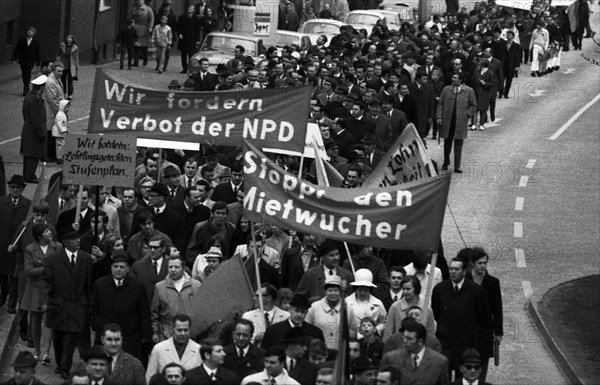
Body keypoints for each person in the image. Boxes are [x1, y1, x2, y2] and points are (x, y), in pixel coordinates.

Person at [40, 229, 94, 380]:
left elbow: (89, 283)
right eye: (74, 239)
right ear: (65, 242)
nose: (78, 241)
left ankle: (65, 367)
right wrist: (44, 302)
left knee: (71, 338)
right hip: (57, 305)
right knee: (58, 337)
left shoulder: (86, 259)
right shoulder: (53, 259)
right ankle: (59, 363)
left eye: (78, 238)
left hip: (78, 306)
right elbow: (45, 281)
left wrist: (89, 304)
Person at [431, 257, 491, 379]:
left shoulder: (476, 291)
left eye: (456, 269)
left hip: (466, 345)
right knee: (443, 376)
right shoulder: (440, 289)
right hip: (445, 344)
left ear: (464, 272)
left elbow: (483, 319)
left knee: (463, 378)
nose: (453, 271)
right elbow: (436, 314)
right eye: (451, 269)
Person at [89, 250, 151, 358]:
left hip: (128, 339)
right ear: (111, 267)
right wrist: (100, 327)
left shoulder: (137, 287)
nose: (118, 269)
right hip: (104, 337)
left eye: (122, 267)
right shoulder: (100, 284)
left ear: (128, 269)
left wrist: (145, 336)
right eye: (115, 266)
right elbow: (92, 310)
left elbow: (144, 313)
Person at [21, 222, 62, 360]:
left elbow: (61, 267)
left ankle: (46, 352)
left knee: (48, 320)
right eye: (46, 231)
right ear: (39, 236)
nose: (50, 233)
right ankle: (37, 351)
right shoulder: (30, 249)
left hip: (51, 288)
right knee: (35, 320)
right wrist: (46, 269)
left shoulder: (57, 247)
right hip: (34, 288)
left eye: (49, 230)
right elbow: (28, 270)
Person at [467, 247, 503, 382]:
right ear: (472, 263)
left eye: (485, 263)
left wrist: (498, 332)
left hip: (485, 331)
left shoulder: (493, 282)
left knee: (483, 363)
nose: (483, 266)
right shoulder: (465, 280)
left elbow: (497, 308)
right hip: (467, 330)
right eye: (480, 263)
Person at [152, 255, 204, 341]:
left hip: (190, 334)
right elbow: (154, 313)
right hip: (166, 335)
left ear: (183, 268)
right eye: (170, 267)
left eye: (176, 267)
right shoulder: (159, 287)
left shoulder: (196, 286)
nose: (173, 270)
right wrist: (155, 332)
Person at [379, 321, 449, 385]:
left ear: (420, 342)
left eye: (409, 338)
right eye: (404, 337)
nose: (404, 341)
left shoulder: (439, 362)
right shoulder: (391, 358)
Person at [0, 175, 32, 311]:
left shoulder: (28, 205)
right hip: (2, 245)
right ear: (9, 187)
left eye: (18, 188)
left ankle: (11, 304)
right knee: (2, 274)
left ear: (23, 189)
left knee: (15, 276)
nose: (15, 190)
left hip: (17, 246)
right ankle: (2, 297)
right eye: (12, 187)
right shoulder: (1, 202)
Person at [436, 72, 476, 173]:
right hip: (447, 120)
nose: (452, 79)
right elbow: (440, 104)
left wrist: (466, 114)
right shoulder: (446, 89)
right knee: (447, 142)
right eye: (452, 77)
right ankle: (446, 162)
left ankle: (457, 165)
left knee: (458, 143)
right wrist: (439, 117)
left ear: (460, 80)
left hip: (460, 121)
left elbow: (473, 106)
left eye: (455, 77)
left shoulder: (469, 90)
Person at [146, 314, 202, 383]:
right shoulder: (159, 349)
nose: (183, 333)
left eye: (186, 330)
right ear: (172, 330)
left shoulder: (199, 350)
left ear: (190, 330)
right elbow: (150, 377)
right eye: (179, 330)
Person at [384, 275, 436, 342]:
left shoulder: (427, 308)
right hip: (400, 346)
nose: (405, 292)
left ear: (416, 289)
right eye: (403, 289)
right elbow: (388, 332)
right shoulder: (395, 306)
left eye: (408, 289)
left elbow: (430, 332)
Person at [20, 75, 47, 183]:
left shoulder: (29, 96)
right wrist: (41, 134)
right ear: (41, 88)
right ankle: (30, 175)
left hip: (27, 127)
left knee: (27, 154)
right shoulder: (36, 100)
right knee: (33, 153)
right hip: (34, 131)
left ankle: (26, 174)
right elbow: (38, 119)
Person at [346, 269, 387, 339]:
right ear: (355, 288)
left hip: (372, 339)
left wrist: (376, 329)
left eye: (365, 290)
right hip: (352, 339)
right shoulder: (346, 302)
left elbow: (384, 322)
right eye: (360, 290)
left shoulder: (377, 303)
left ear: (370, 290)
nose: (362, 293)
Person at [43, 62, 65, 163]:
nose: (60, 73)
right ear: (53, 70)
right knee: (51, 133)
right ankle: (49, 155)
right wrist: (60, 112)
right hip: (52, 111)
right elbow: (52, 100)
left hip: (55, 111)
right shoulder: (51, 82)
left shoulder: (56, 79)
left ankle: (51, 155)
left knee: (53, 133)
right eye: (58, 71)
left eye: (62, 71)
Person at [12, 26, 41, 96]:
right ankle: (26, 86)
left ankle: (26, 89)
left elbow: (38, 53)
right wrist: (14, 59)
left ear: (34, 34)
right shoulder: (21, 40)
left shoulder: (36, 42)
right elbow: (17, 50)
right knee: (24, 74)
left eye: (31, 31)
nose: (29, 32)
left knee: (27, 74)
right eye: (29, 30)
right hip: (22, 60)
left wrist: (38, 63)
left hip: (31, 61)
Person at [176, 5, 201, 73]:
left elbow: (197, 30)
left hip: (192, 39)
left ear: (194, 10)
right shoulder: (182, 17)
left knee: (191, 55)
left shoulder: (196, 18)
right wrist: (179, 34)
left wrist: (197, 40)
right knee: (183, 55)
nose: (190, 9)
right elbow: (178, 27)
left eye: (192, 8)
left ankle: (191, 69)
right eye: (189, 7)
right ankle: (184, 68)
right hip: (183, 39)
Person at [55, 35, 79, 100]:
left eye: (70, 38)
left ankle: (70, 94)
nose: (68, 39)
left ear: (72, 39)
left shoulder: (75, 47)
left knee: (70, 81)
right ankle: (63, 93)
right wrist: (57, 60)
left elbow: (76, 57)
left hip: (71, 65)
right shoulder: (62, 45)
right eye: (67, 37)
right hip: (63, 65)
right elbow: (58, 54)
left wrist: (77, 66)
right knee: (62, 80)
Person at [131, 0, 154, 67]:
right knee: (135, 46)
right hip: (136, 28)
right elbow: (130, 18)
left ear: (143, 1)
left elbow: (151, 19)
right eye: (138, 0)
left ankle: (145, 58)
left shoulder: (148, 9)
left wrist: (150, 28)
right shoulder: (134, 8)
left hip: (144, 28)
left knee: (143, 46)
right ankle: (135, 62)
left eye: (141, 0)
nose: (139, 1)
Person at [51, 99, 70, 164]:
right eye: (67, 107)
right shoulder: (60, 114)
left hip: (61, 133)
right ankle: (59, 157)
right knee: (61, 145)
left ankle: (61, 156)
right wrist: (63, 130)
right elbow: (59, 124)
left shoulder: (62, 114)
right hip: (60, 133)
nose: (68, 109)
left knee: (62, 145)